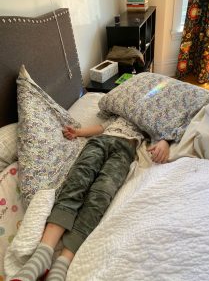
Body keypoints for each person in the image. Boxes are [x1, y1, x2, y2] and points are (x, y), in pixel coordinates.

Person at [10, 116, 170, 281]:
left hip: (124, 151)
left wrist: (164, 141)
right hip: (101, 141)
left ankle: (62, 264)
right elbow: (101, 127)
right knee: (77, 180)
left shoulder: (149, 119)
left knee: (102, 194)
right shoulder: (121, 112)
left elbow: (161, 133)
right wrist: (79, 132)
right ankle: (43, 254)